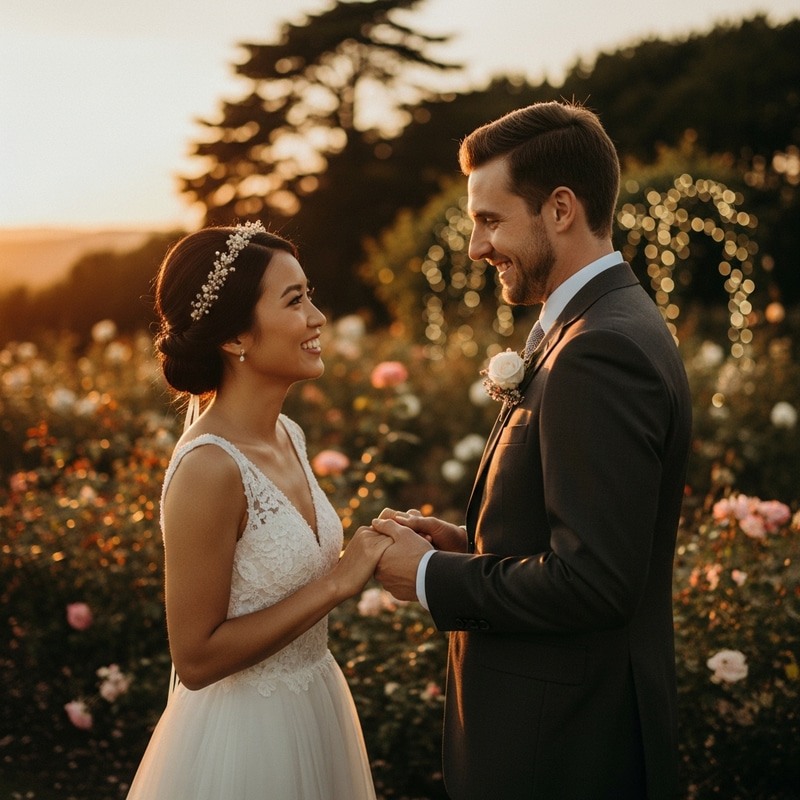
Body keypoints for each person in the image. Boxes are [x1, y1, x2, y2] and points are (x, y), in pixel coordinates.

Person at [371, 101, 692, 800]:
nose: (476, 247)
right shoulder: (590, 323)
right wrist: (464, 543)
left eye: (490, 220)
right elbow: (582, 531)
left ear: (561, 209)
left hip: (564, 753)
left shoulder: (600, 348)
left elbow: (595, 582)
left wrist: (430, 578)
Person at [126, 222, 389, 800]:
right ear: (235, 336)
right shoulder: (209, 469)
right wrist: (340, 581)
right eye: (295, 301)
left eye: (309, 295)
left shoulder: (288, 434)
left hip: (316, 702)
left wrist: (379, 546)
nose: (317, 316)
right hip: (246, 738)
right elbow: (194, 659)